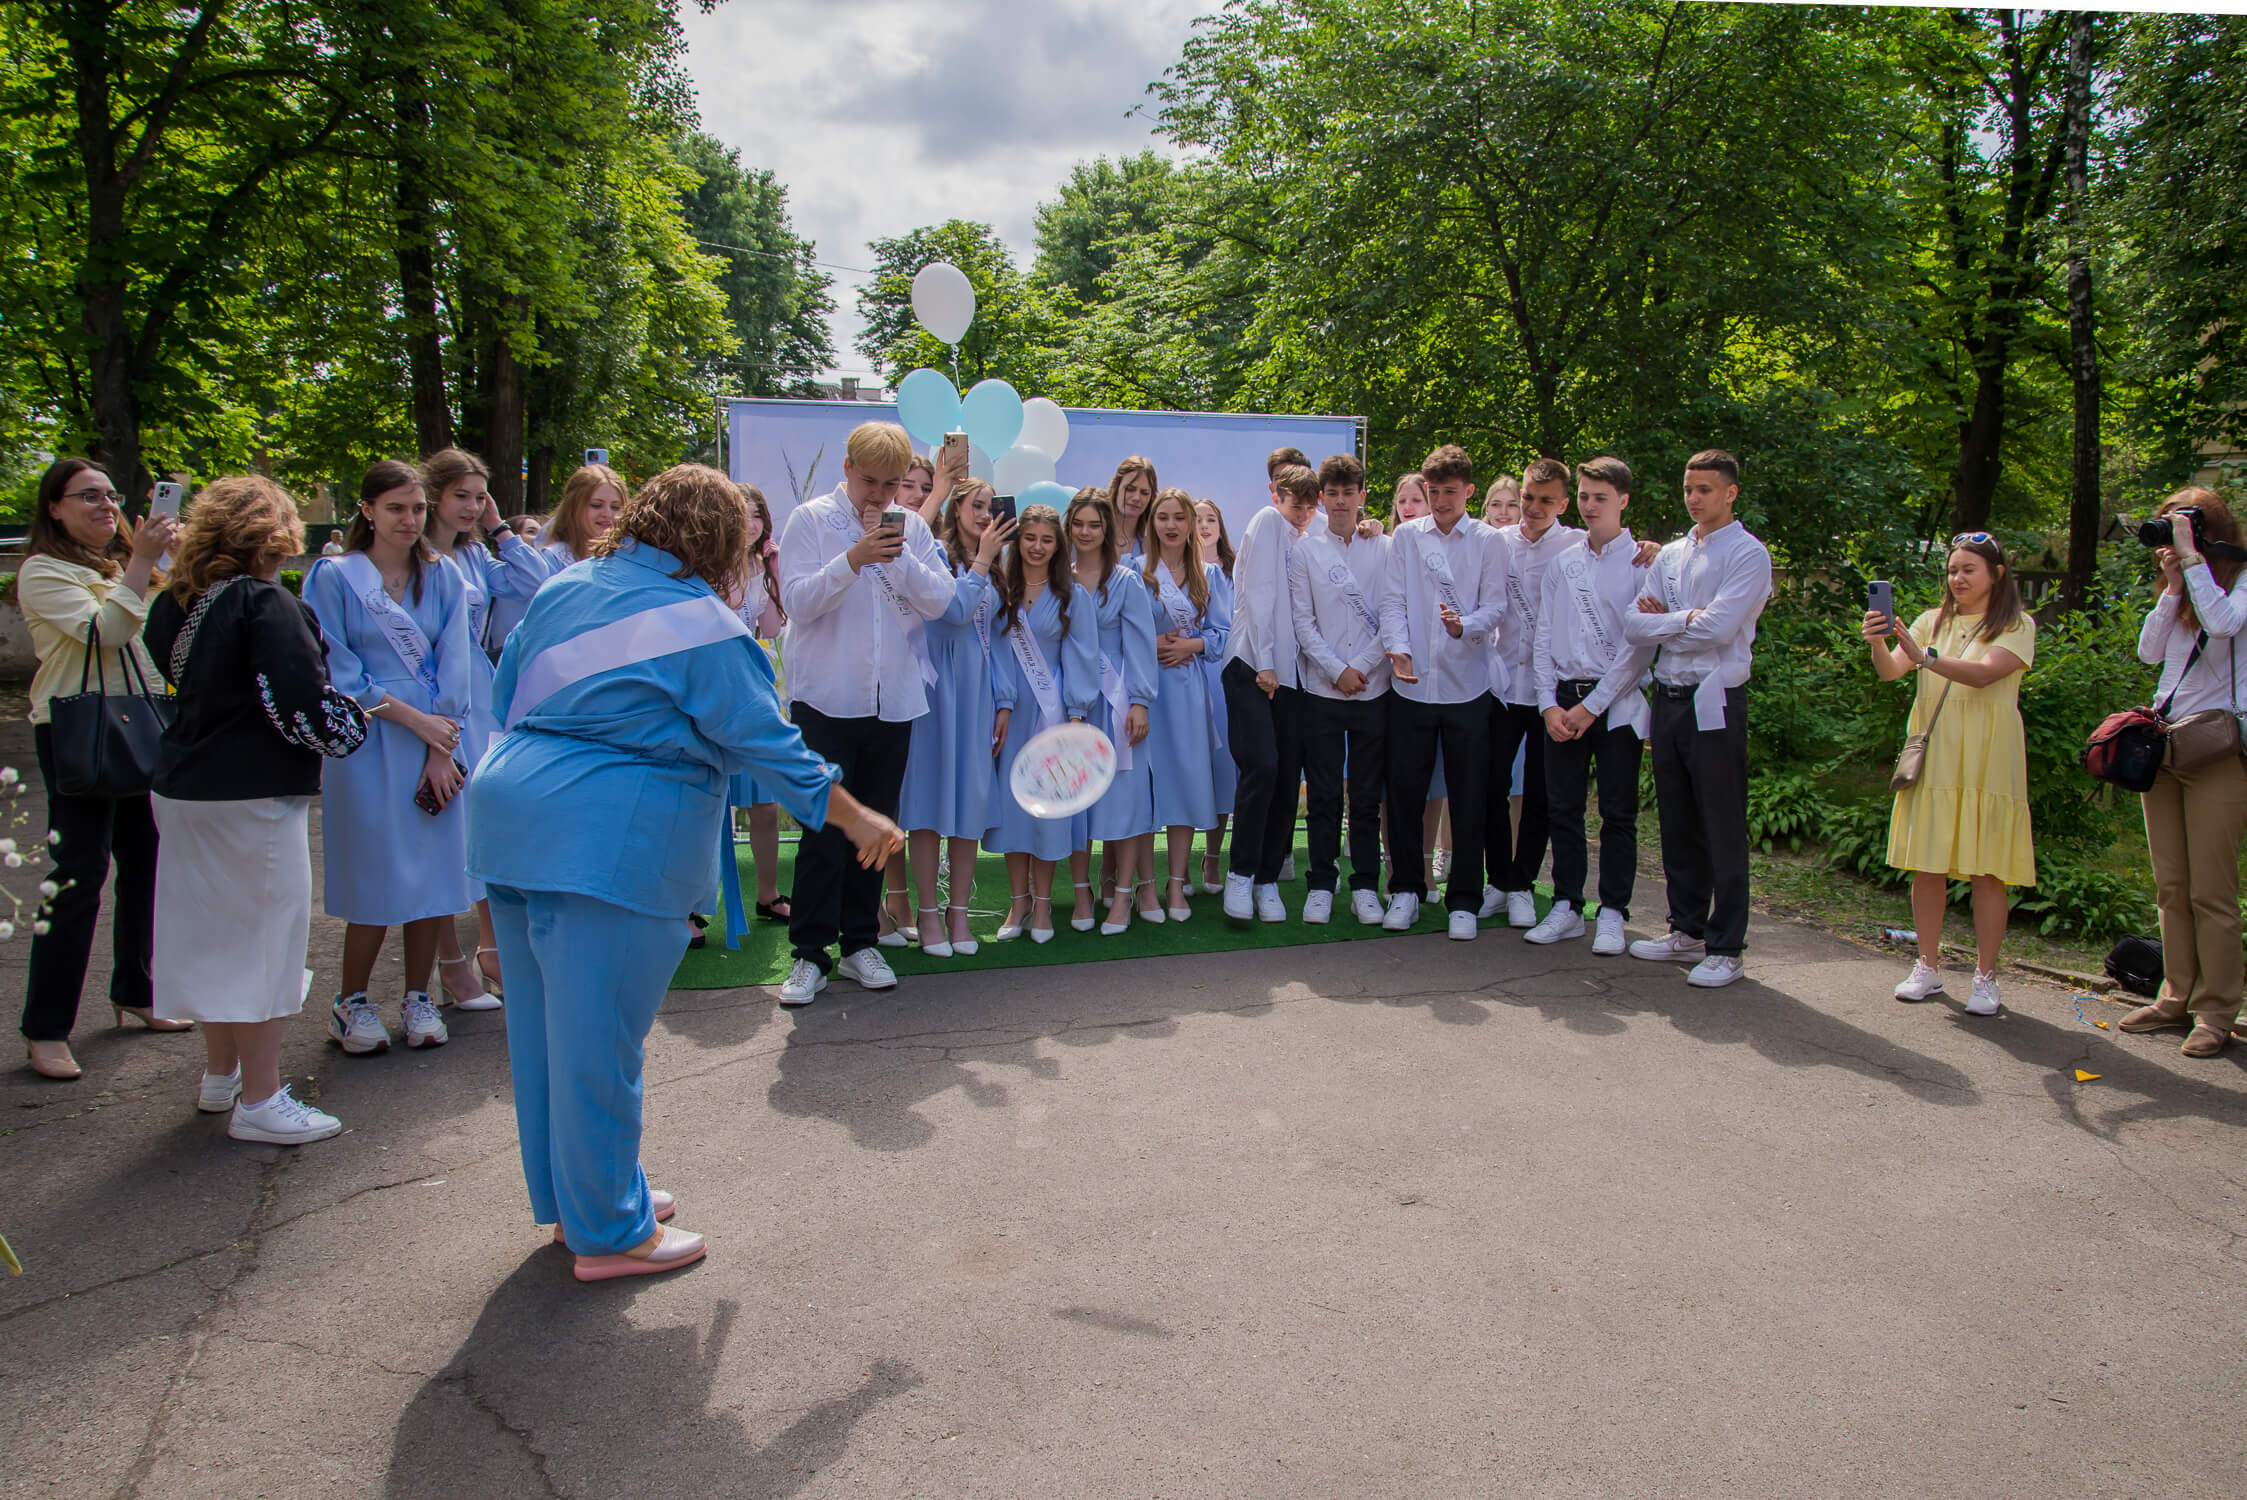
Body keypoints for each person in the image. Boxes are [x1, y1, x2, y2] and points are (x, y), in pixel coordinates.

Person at [469, 463, 903, 1281]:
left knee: (546, 1034)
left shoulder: (568, 586)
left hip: (511, 817)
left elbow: (505, 693)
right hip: (607, 836)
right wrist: (857, 818)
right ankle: (609, 1231)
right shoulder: (701, 623)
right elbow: (767, 742)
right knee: (601, 1044)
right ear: (719, 540)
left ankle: (580, 1199)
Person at [144, 476, 368, 1142]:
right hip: (248, 794)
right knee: (265, 945)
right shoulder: (265, 603)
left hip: (184, 785)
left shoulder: (176, 603)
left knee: (213, 938)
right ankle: (262, 1099)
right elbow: (300, 702)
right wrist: (350, 727)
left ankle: (221, 1075)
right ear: (276, 532)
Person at [773, 422, 956, 1006]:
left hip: (893, 699)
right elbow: (797, 601)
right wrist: (852, 559)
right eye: (871, 481)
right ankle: (808, 953)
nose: (879, 495)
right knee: (823, 827)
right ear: (848, 467)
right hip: (825, 698)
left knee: (876, 826)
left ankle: (860, 941)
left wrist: (896, 560)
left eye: (892, 484)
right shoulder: (810, 520)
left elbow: (941, 601)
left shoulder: (913, 528)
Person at [15, 459, 184, 1080]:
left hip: (140, 725)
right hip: (76, 730)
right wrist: (141, 562)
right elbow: (105, 632)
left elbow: (171, 628)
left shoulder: (125, 568)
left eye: (110, 495)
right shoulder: (43, 571)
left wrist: (171, 562)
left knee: (146, 864)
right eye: (87, 496)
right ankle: (45, 1027)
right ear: (54, 507)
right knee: (79, 876)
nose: (105, 505)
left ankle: (137, 990)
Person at [304, 459, 476, 1053]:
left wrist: (440, 744)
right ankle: (351, 1001)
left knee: (433, 872)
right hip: (368, 738)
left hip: (438, 741)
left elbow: (456, 659)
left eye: (418, 508)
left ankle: (418, 995)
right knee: (375, 869)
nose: (409, 519)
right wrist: (418, 723)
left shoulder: (443, 574)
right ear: (368, 510)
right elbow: (338, 670)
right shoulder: (335, 577)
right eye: (395, 508)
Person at [1862, 531, 2035, 1018]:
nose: (1957, 578)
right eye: (1953, 570)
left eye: (1968, 570)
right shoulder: (1930, 621)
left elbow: (1985, 674)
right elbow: (1891, 672)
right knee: (1929, 863)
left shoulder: (2016, 624)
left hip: (1988, 754)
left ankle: (1986, 975)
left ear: (1996, 574)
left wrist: (1927, 658)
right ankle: (1927, 966)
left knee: (1987, 868)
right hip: (1937, 751)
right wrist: (1878, 643)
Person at [1622, 449, 1774, 988]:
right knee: (1677, 818)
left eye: (1705, 489)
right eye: (1688, 488)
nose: (1693, 498)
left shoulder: (1748, 555)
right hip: (1668, 696)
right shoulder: (1672, 554)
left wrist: (1667, 621)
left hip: (1716, 699)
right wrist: (1685, 620)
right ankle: (1686, 928)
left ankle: (1727, 946)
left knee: (1720, 822)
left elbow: (1719, 629)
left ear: (1730, 493)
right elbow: (1633, 625)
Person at [2122, 491, 2247, 1058]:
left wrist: (2194, 562)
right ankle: (2175, 997)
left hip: (2218, 753)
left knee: (2212, 892)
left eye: (2181, 527)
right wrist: (2172, 586)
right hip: (2167, 749)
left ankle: (2217, 1012)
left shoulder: (2239, 583)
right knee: (2171, 886)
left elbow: (2222, 626)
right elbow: (2150, 653)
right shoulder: (2181, 586)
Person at [422, 447, 546, 1006]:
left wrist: (500, 529)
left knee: (484, 822)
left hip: (479, 697)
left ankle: (490, 948)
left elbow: (534, 581)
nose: (472, 506)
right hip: (431, 701)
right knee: (441, 828)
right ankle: (451, 962)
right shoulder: (414, 557)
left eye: (479, 497)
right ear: (434, 497)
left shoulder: (475, 555)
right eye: (461, 496)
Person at [1530, 457, 1655, 954]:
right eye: (1583, 496)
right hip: (1563, 701)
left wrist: (1594, 707)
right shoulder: (1564, 562)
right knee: (1563, 809)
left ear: (1623, 500)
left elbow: (1640, 648)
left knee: (1617, 813)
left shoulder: (1643, 564)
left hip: (1618, 704)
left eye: (1600, 497)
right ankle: (1566, 904)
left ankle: (1613, 911)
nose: (1589, 506)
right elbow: (1543, 636)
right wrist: (1547, 704)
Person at [1379, 444, 1503, 940]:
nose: (1441, 500)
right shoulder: (1407, 538)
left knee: (1468, 797)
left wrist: (1464, 626)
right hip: (1410, 688)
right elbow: (1392, 601)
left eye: (1450, 491)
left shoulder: (1489, 541)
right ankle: (1406, 890)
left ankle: (1465, 901)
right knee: (1404, 795)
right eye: (1433, 491)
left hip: (1467, 688)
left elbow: (1496, 607)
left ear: (1469, 491)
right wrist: (1398, 649)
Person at [897, 478, 1013, 954]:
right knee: (927, 802)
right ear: (956, 507)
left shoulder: (997, 566)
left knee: (971, 799)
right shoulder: (935, 555)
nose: (985, 515)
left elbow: (1000, 639)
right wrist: (983, 558)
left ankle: (958, 912)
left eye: (990, 507)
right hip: (935, 689)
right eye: (976, 506)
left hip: (977, 691)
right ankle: (927, 913)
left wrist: (1004, 700)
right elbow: (954, 612)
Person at [983, 504, 1099, 942]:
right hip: (1011, 715)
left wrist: (1075, 714)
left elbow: (1082, 654)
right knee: (1014, 808)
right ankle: (1019, 904)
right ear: (1018, 541)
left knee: (1047, 810)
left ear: (1058, 545)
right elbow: (995, 652)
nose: (1037, 546)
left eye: (1046, 540)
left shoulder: (1072, 595)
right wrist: (1002, 702)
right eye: (1030, 538)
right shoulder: (1001, 591)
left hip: (1054, 716)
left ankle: (1045, 905)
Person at [1289, 454, 1391, 925]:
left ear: (1362, 496)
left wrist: (1361, 667)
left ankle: (1366, 885)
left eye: (1349, 492)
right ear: (1322, 498)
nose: (1341, 501)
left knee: (1366, 796)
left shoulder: (1384, 548)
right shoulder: (1305, 552)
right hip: (1322, 690)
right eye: (1333, 493)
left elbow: (1394, 615)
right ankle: (1322, 884)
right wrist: (1336, 670)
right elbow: (1303, 623)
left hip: (1374, 688)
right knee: (1324, 795)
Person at [1483, 458, 1579, 928]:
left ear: (1563, 503)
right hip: (1501, 688)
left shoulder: (1577, 545)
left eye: (1546, 500)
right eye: (1528, 497)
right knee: (1490, 787)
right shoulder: (1496, 542)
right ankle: (1499, 880)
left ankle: (1523, 883)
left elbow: (1623, 554)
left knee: (1540, 794)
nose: (1533, 507)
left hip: (1549, 693)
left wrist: (1647, 549)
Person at [1221, 464, 1319, 922]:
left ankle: (1266, 879)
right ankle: (1240, 875)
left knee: (1286, 779)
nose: (1302, 512)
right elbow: (1258, 594)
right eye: (1295, 502)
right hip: (1252, 665)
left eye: (1309, 505)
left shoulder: (1307, 537)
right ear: (1276, 495)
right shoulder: (1267, 521)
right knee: (1261, 766)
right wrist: (1264, 661)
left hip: (1293, 677)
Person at [1065, 489, 1160, 934]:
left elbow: (1140, 643)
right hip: (1072, 706)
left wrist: (1139, 700)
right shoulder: (1057, 579)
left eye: (1094, 524)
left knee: (1126, 800)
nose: (1085, 532)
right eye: (1078, 523)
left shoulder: (1126, 581)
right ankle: (1082, 893)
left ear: (1107, 530)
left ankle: (1123, 897)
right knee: (1078, 805)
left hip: (1118, 706)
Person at [1142, 488, 1227, 919]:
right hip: (1143, 691)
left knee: (1185, 784)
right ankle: (1144, 886)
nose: (1171, 525)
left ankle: (1176, 885)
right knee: (1144, 789)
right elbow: (1118, 631)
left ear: (1191, 523)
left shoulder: (1209, 576)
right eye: (1163, 517)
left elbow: (1224, 635)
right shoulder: (1135, 571)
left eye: (1179, 517)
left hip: (1189, 691)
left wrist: (1191, 644)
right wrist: (1150, 642)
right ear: (1152, 522)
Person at [716, 483, 791, 932]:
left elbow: (773, 628)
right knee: (711, 806)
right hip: (715, 692)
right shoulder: (706, 567)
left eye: (757, 515)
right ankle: (695, 906)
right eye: (742, 514)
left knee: (765, 804)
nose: (751, 524)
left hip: (756, 691)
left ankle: (768, 894)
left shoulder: (761, 569)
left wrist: (773, 571)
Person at [1391, 471, 1450, 887]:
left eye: (1416, 500)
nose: (1409, 507)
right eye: (1403, 500)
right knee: (1395, 786)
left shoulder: (1447, 546)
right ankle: (1396, 869)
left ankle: (1428, 866)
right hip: (1393, 683)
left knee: (1435, 785)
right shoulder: (1383, 542)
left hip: (1443, 684)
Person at [1194, 498, 1238, 892]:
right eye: (1196, 519)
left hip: (1221, 680)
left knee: (1222, 771)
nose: (1204, 526)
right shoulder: (1167, 571)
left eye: (1211, 519)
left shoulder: (1233, 573)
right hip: (1180, 676)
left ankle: (1212, 858)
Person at [538, 463, 627, 572]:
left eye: (615, 507)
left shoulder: (629, 557)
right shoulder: (553, 559)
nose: (607, 514)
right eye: (596, 505)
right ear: (573, 507)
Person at [1109, 456, 1159, 567]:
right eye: (1130, 489)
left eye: (1144, 492)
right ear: (1116, 488)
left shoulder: (1151, 547)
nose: (1137, 498)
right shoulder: (1091, 533)